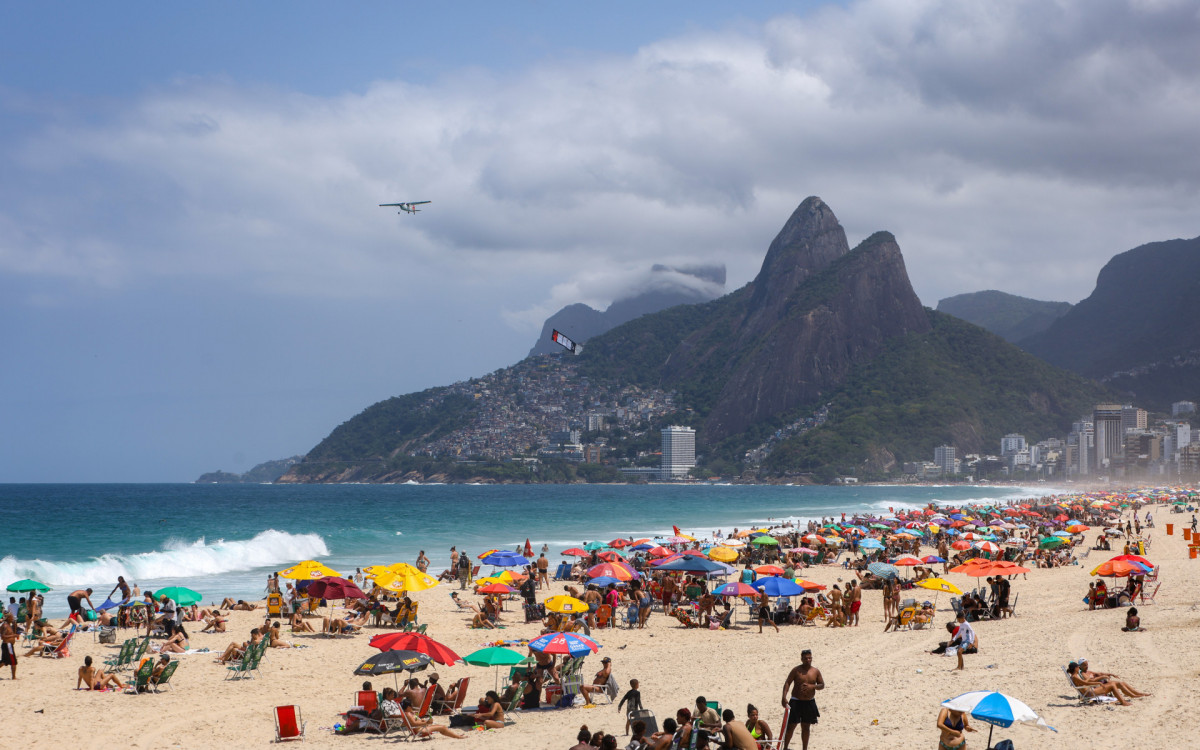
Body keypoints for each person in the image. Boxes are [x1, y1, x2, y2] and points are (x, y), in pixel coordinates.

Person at [781, 649, 824, 750]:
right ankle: (785, 748)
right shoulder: (796, 670)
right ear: (801, 659)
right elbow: (787, 682)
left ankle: (804, 748)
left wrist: (812, 686)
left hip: (809, 702)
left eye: (809, 658)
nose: (808, 660)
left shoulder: (815, 671)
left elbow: (822, 685)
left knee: (806, 727)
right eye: (805, 658)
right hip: (796, 701)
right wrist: (783, 697)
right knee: (791, 727)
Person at [1076, 658, 1150, 698]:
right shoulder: (1083, 674)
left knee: (1122, 683)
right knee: (1119, 684)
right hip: (1097, 687)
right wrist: (1102, 677)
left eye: (1087, 664)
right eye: (1085, 665)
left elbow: (1099, 673)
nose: (1087, 666)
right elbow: (1090, 681)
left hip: (1101, 684)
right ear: (1080, 666)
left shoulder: (1088, 671)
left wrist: (1110, 674)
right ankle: (1133, 695)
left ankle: (1138, 693)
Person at [0, 613, 17, 679]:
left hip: (8, 645)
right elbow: (3, 636)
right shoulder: (5, 626)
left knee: (4, 661)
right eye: (11, 617)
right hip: (7, 645)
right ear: (8, 618)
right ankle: (14, 677)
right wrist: (13, 636)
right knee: (13, 661)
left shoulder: (9, 625)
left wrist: (15, 626)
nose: (12, 618)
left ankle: (14, 676)